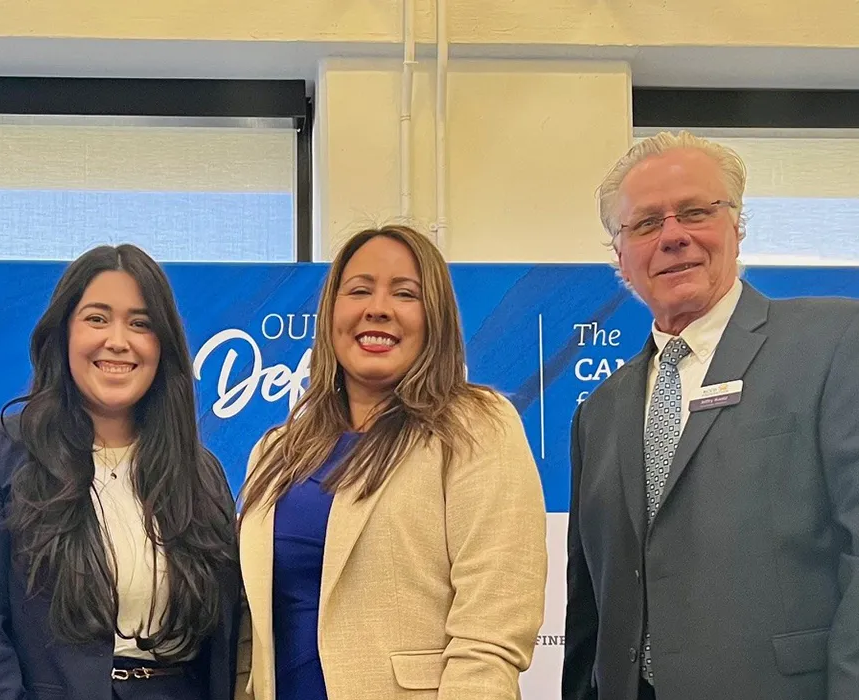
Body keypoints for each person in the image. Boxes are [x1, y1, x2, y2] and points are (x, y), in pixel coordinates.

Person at [563, 131, 859, 700]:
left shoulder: (834, 344)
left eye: (695, 212)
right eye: (646, 224)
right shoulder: (598, 413)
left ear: (737, 225)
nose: (673, 236)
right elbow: (590, 606)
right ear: (620, 257)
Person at [235, 225, 547, 700]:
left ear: (435, 318)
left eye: (405, 293)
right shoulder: (277, 451)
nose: (377, 308)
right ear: (331, 313)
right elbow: (249, 631)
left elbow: (491, 631)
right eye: (359, 290)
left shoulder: (477, 427)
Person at [0, 244, 243, 700]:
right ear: (63, 335)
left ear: (164, 346)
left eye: (141, 323)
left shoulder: (202, 473)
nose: (118, 340)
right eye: (97, 318)